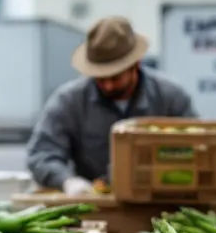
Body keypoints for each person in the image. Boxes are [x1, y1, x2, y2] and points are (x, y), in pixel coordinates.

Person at [26, 16, 196, 195]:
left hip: (161, 201)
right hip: (94, 204)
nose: (108, 85)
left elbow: (197, 149)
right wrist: (67, 181)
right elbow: (41, 155)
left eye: (115, 77)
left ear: (135, 65)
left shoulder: (171, 97)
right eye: (100, 78)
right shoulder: (70, 101)